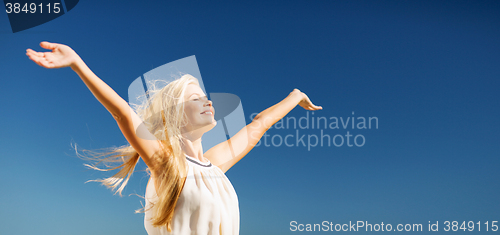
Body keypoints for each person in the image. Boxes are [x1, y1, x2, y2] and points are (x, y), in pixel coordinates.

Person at [26, 41, 322, 235]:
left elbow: (258, 127)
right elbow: (123, 114)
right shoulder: (166, 163)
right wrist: (78, 64)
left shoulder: (214, 166)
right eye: (195, 99)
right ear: (176, 116)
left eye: (207, 97)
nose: (208, 102)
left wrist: (295, 97)